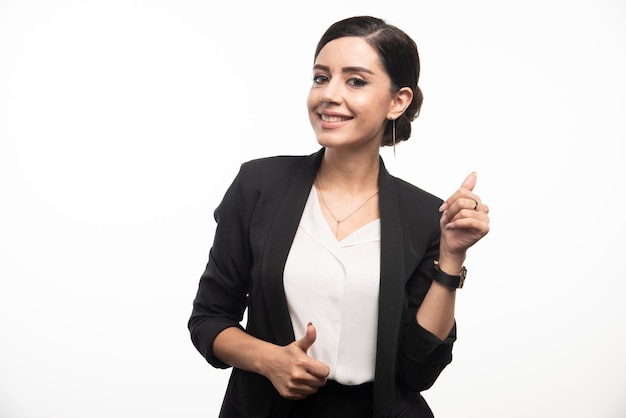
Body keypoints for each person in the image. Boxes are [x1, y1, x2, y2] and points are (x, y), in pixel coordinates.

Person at [188, 15, 490, 418]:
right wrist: (269, 359)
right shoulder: (259, 185)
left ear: (397, 101)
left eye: (356, 81)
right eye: (320, 77)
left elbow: (418, 369)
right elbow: (209, 318)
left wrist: (452, 258)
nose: (328, 95)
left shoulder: (425, 216)